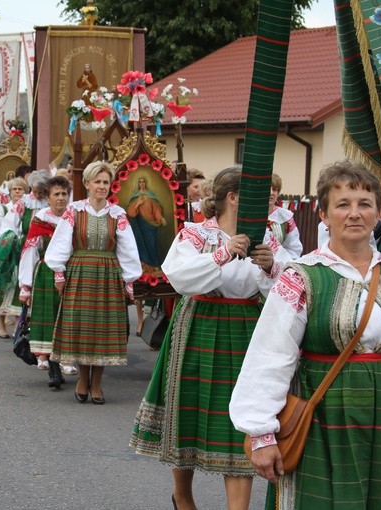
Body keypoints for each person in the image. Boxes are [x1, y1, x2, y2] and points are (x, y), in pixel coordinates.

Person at [228, 160, 381, 510]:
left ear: (378, 213)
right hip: (323, 413)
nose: (354, 214)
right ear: (325, 216)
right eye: (343, 205)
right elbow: (270, 355)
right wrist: (261, 433)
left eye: (364, 204)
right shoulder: (301, 276)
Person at [130, 166, 283, 510]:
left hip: (246, 324)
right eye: (255, 197)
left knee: (244, 415)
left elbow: (283, 289)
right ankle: (182, 496)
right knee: (190, 410)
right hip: (200, 321)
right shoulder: (196, 234)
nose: (265, 205)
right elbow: (179, 276)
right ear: (233, 197)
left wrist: (271, 267)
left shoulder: (266, 238)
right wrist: (222, 253)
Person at [44, 161, 142, 405]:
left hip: (108, 274)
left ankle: (97, 382)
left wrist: (129, 281)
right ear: (87, 184)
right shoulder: (74, 211)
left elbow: (128, 249)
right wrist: (59, 272)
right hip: (80, 272)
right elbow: (61, 242)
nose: (101, 186)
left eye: (105, 182)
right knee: (82, 325)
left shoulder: (117, 214)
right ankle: (83, 378)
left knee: (103, 328)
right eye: (97, 182)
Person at [18, 175, 77, 387]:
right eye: (56, 194)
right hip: (45, 274)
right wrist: (25, 286)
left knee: (68, 317)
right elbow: (29, 252)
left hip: (71, 273)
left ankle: (67, 359)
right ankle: (53, 369)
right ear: (47, 198)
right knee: (48, 319)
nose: (61, 198)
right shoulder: (40, 220)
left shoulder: (75, 218)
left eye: (64, 194)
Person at [0, 177, 28, 338]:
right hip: (5, 254)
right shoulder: (2, 209)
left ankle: (19, 324)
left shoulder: (28, 208)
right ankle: (1, 323)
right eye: (14, 189)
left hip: (21, 254)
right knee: (3, 289)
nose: (17, 192)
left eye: (21, 189)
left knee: (19, 288)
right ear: (9, 192)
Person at [127, 176, 166, 268]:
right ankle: (145, 265)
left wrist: (160, 218)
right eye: (140, 182)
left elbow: (156, 209)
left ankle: (155, 264)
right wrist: (138, 203)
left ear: (146, 183)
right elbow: (130, 212)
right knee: (141, 244)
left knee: (152, 244)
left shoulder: (151, 195)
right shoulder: (135, 196)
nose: (141, 183)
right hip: (140, 224)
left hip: (150, 225)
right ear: (138, 184)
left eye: (143, 182)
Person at [266, 174, 302, 259]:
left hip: (278, 266)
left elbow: (293, 247)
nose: (271, 193)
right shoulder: (249, 215)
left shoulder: (285, 217)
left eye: (274, 190)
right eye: (267, 189)